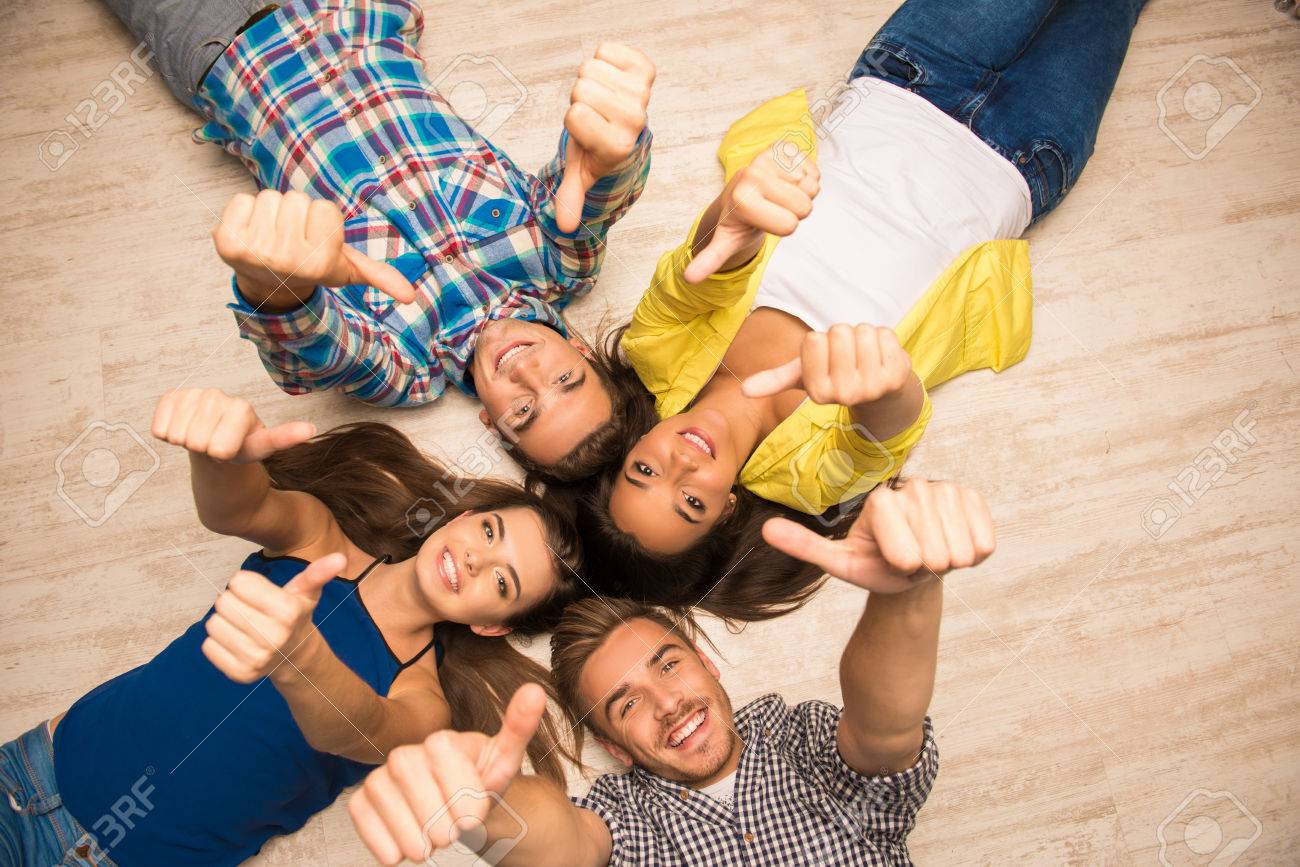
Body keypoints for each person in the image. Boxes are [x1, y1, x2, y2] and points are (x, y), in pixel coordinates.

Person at [565, 0, 1149, 621]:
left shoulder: (655, 351)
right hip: (1026, 156)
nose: (682, 462)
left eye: (645, 470)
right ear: (727, 510)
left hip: (911, 76)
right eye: (690, 503)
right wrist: (885, 385)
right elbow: (888, 433)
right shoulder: (808, 479)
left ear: (635, 443)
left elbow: (708, 264)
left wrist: (735, 215)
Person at [0, 388, 584, 866]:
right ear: (462, 515)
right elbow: (240, 508)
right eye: (489, 532)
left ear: (491, 627)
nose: (479, 560)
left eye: (502, 584)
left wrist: (302, 658)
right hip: (34, 779)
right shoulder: (318, 537)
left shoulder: (421, 700)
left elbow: (356, 729)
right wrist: (220, 456)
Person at [102, 0, 656, 473]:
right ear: (582, 349)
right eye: (566, 379)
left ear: (491, 421)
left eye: (523, 413)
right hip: (356, 14)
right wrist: (613, 150)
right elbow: (592, 194)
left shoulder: (403, 368)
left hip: (221, 49)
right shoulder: (559, 264)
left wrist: (277, 286)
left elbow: (317, 349)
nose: (526, 373)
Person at [346, 477, 996, 865]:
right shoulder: (627, 818)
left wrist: (905, 592)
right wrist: (486, 803)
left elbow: (884, 732)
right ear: (614, 747)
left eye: (669, 664)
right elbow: (563, 844)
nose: (666, 703)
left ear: (708, 663)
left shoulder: (798, 741)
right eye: (625, 705)